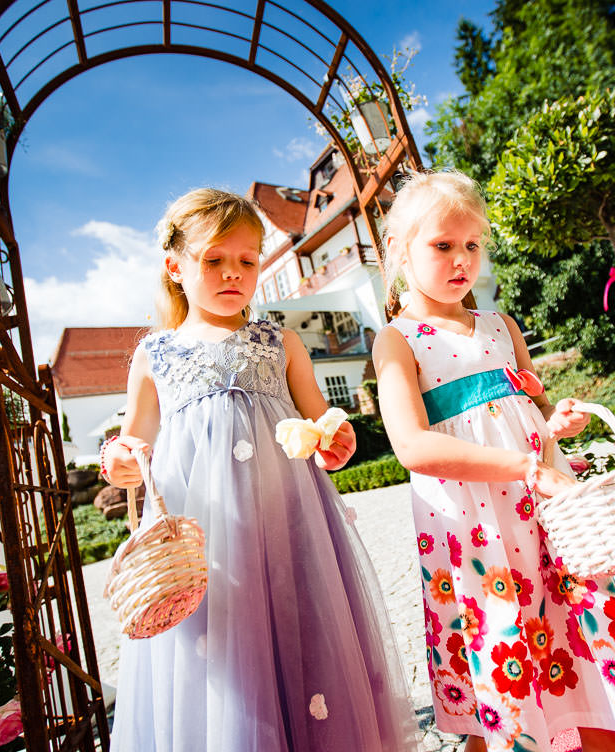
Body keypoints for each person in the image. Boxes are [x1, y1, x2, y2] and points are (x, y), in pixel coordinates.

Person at [102, 188, 417, 752]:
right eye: (213, 259)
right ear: (175, 266)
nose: (233, 273)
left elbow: (320, 418)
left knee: (303, 636)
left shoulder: (281, 341)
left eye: (247, 261)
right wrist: (120, 459)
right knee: (224, 658)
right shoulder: (156, 353)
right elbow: (135, 438)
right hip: (204, 543)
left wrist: (334, 437)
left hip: (288, 521)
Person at [372, 171, 615, 752]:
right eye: (442, 245)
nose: (462, 260)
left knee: (578, 635)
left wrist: (555, 424)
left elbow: (533, 407)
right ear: (401, 251)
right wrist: (527, 468)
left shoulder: (501, 326)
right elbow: (413, 446)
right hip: (473, 526)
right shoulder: (398, 341)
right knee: (499, 650)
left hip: (547, 512)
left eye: (472, 245)